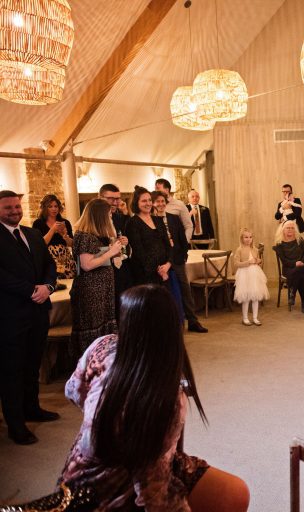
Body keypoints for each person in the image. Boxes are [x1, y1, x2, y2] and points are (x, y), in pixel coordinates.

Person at [59, 284, 249, 511]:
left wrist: (102, 416)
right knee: (232, 494)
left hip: (79, 473)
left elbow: (72, 391)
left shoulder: (102, 345)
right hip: (98, 494)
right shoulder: (163, 399)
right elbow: (153, 495)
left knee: (233, 492)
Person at [0, 190, 59, 445]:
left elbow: (50, 265)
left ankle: (32, 408)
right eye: (8, 208)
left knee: (33, 363)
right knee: (11, 370)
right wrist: (30, 290)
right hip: (10, 314)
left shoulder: (33, 234)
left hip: (38, 311)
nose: (14, 211)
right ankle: (15, 424)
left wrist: (48, 287)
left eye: (17, 206)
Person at [70, 198, 124, 358]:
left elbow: (104, 257)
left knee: (104, 323)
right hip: (90, 290)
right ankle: (91, 362)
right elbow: (87, 265)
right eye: (108, 215)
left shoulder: (97, 235)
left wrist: (117, 248)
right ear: (100, 216)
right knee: (93, 326)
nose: (111, 218)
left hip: (102, 287)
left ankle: (104, 359)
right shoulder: (84, 236)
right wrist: (111, 251)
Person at [152, 191, 208, 333]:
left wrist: (183, 255)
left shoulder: (173, 218)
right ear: (153, 203)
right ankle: (169, 325)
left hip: (177, 260)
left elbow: (182, 239)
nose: (161, 204)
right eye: (157, 201)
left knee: (185, 290)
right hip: (160, 263)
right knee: (165, 293)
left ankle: (193, 322)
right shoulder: (150, 220)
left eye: (163, 201)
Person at [126, 186, 173, 286]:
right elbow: (139, 252)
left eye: (149, 200)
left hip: (164, 270)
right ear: (136, 203)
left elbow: (167, 245)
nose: (148, 203)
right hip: (145, 273)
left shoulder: (158, 220)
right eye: (144, 201)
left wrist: (168, 265)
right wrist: (159, 270)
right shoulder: (132, 223)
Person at [98, 184, 131, 312]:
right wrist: (109, 249)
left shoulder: (118, 218)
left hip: (119, 268)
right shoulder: (93, 221)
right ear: (100, 197)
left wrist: (125, 242)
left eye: (117, 199)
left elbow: (124, 240)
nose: (115, 202)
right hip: (101, 271)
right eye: (111, 198)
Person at [32, 194, 76, 279]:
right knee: (51, 281)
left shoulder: (65, 222)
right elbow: (40, 244)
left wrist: (65, 236)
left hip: (64, 257)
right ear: (45, 208)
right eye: (50, 206)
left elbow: (71, 244)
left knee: (67, 281)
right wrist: (52, 230)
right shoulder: (38, 223)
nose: (54, 209)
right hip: (48, 257)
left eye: (56, 206)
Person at [273, 220, 304, 313]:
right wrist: (295, 264)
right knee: (299, 274)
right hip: (288, 268)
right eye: (288, 228)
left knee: (299, 270)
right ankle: (303, 301)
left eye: (292, 228)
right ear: (283, 229)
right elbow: (284, 261)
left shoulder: (299, 239)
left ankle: (293, 293)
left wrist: (302, 262)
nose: (290, 229)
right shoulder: (279, 243)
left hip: (302, 265)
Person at [233, 228, 269, 326]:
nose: (248, 239)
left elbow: (259, 262)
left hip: (254, 274)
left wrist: (259, 261)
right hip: (244, 274)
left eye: (250, 237)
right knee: (246, 297)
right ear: (241, 238)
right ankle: (245, 318)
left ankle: (255, 317)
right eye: (246, 237)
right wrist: (248, 262)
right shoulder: (239, 250)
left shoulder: (255, 249)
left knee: (255, 296)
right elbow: (236, 263)